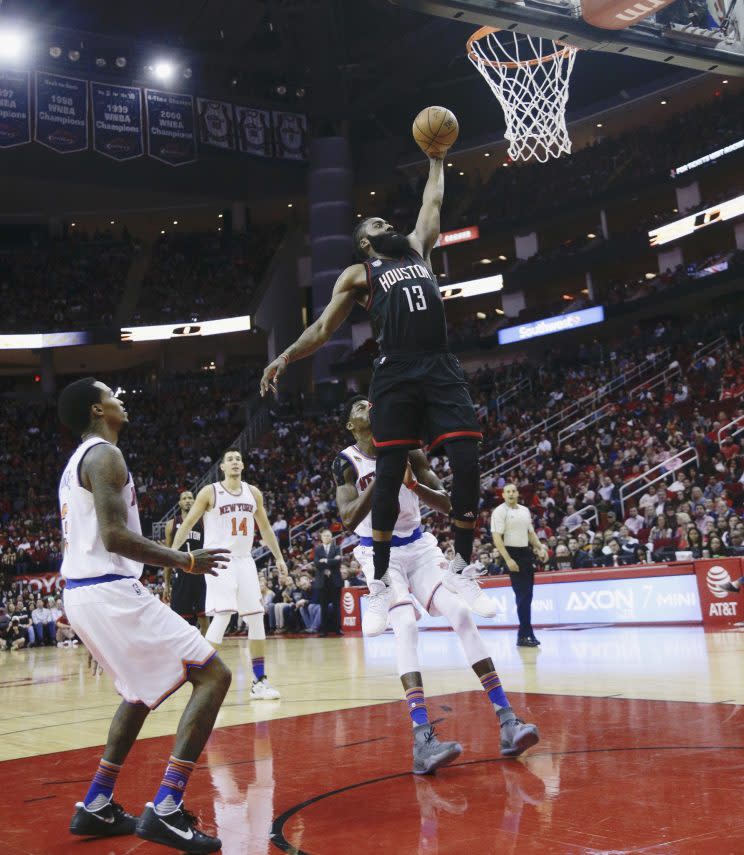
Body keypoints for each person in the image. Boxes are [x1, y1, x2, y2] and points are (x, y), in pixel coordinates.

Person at [260, 151, 485, 636]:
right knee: (387, 473)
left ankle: (463, 567)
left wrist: (436, 159)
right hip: (395, 370)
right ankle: (381, 582)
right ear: (366, 240)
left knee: (467, 462)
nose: (390, 223)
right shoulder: (360, 274)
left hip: (440, 365)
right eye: (379, 222)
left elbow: (433, 198)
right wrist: (285, 358)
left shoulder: (419, 250)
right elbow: (321, 328)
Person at [57, 377, 231, 853]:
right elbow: (114, 537)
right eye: (112, 393)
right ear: (97, 409)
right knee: (214, 676)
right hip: (108, 589)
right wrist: (184, 559)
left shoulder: (76, 462)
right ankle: (168, 807)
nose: (120, 398)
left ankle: (96, 803)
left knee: (136, 694)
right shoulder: (104, 455)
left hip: (85, 591)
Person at [334, 398, 536, 772]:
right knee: (406, 626)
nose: (368, 404)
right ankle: (422, 738)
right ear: (352, 425)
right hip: (377, 552)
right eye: (360, 405)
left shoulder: (409, 449)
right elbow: (347, 518)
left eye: (372, 401)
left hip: (418, 545)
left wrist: (410, 480)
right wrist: (381, 479)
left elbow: (449, 504)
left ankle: (508, 720)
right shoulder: (346, 462)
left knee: (460, 612)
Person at [172, 448, 286, 700]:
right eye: (230, 460)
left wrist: (279, 558)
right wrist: (171, 554)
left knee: (256, 618)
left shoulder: (253, 493)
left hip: (245, 561)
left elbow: (266, 529)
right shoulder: (209, 492)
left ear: (243, 466)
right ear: (222, 467)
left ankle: (259, 682)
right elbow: (188, 523)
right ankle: (200, 679)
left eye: (238, 459)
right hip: (219, 559)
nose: (235, 462)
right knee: (222, 616)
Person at [491, 485, 549, 648]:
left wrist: (539, 548)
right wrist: (508, 559)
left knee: (527, 596)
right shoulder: (499, 511)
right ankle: (524, 634)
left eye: (513, 491)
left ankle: (525, 634)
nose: (511, 493)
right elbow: (497, 538)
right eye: (507, 491)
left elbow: (530, 533)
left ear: (517, 494)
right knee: (522, 596)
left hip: (525, 552)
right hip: (512, 553)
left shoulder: (524, 510)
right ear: (503, 495)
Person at [163, 491, 208, 635]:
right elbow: (168, 555)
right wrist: (167, 584)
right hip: (181, 577)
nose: (188, 500)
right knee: (180, 622)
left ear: (195, 501)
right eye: (184, 498)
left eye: (190, 498)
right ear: (180, 503)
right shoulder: (171, 524)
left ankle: (205, 654)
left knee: (204, 619)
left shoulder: (204, 521)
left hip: (200, 575)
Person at [312, 529, 343, 636]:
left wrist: (325, 561)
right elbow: (316, 564)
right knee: (323, 606)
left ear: (332, 537)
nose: (327, 537)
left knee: (336, 606)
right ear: (321, 538)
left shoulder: (337, 547)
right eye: (325, 536)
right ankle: (324, 630)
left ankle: (337, 629)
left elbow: (338, 561)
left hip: (335, 581)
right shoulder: (317, 549)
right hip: (322, 581)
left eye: (329, 535)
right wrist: (331, 561)